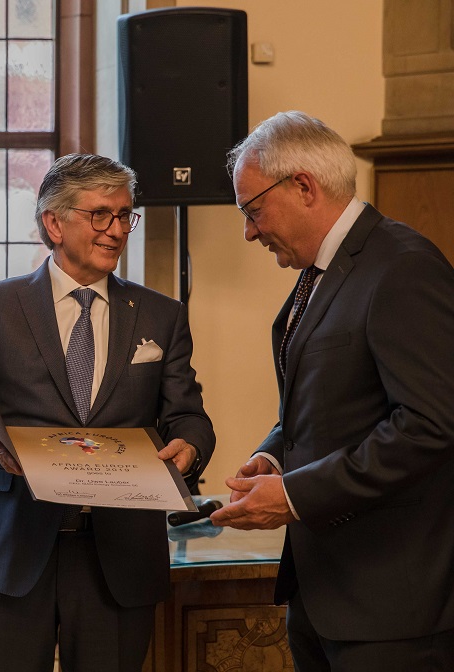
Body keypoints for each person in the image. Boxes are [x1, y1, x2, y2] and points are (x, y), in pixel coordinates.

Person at [0, 154, 215, 672]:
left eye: (125, 215)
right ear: (54, 224)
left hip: (120, 554)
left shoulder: (162, 315)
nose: (117, 230)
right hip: (12, 544)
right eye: (100, 214)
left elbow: (189, 417)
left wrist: (189, 447)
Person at [210, 111, 454, 671]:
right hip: (323, 596)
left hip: (392, 609)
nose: (249, 232)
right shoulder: (324, 270)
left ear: (303, 187)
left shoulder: (403, 267)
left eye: (252, 211)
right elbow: (326, 401)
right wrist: (275, 456)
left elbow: (431, 423)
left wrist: (295, 495)